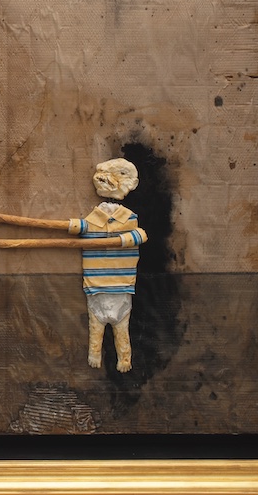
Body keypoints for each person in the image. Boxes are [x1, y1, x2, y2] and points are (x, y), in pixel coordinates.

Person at [68, 158, 147, 372]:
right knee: (96, 327)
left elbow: (140, 235)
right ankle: (95, 354)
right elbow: (74, 226)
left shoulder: (129, 219)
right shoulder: (90, 222)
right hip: (96, 286)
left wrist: (124, 239)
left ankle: (125, 359)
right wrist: (73, 226)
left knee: (122, 328)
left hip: (121, 286)